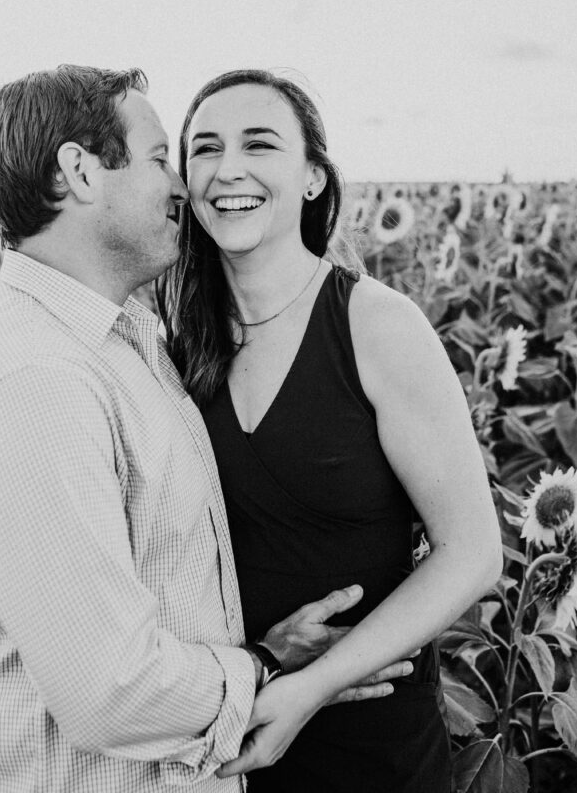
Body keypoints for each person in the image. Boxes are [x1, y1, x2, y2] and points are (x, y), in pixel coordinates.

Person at [0, 65, 411, 793]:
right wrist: (267, 672)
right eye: (157, 159)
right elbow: (111, 688)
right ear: (81, 174)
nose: (181, 186)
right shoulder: (34, 380)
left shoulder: (120, 342)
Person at [161, 69, 504, 791]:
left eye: (260, 144)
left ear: (314, 177)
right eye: (204, 149)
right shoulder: (171, 340)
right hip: (223, 737)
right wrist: (260, 670)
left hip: (371, 744)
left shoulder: (375, 326)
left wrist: (309, 689)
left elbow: (471, 551)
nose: (229, 170)